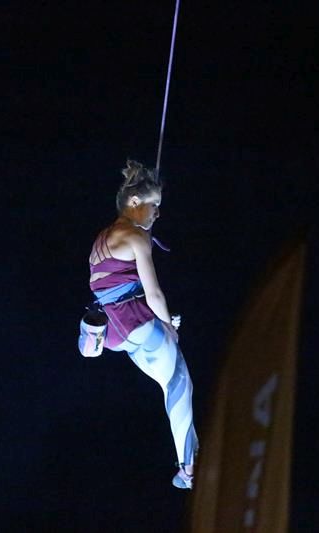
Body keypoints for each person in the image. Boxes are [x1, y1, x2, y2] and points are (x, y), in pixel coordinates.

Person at [84, 159, 198, 489]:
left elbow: (115, 285)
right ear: (135, 202)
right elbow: (154, 294)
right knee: (178, 385)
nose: (158, 213)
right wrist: (168, 326)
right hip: (135, 323)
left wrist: (164, 321)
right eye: (154, 205)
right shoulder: (135, 236)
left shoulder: (103, 237)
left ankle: (188, 466)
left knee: (169, 382)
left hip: (117, 333)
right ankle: (189, 469)